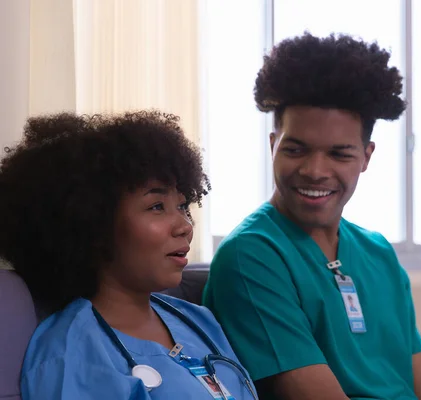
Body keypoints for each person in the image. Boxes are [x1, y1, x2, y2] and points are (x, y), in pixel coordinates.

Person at [203, 33, 421, 400]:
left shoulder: (378, 253)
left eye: (339, 154)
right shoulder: (251, 256)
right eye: (296, 149)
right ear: (272, 146)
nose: (314, 170)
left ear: (366, 156)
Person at [0, 111, 257, 399]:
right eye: (157, 206)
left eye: (183, 206)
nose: (185, 226)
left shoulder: (197, 320)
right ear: (92, 222)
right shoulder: (72, 353)